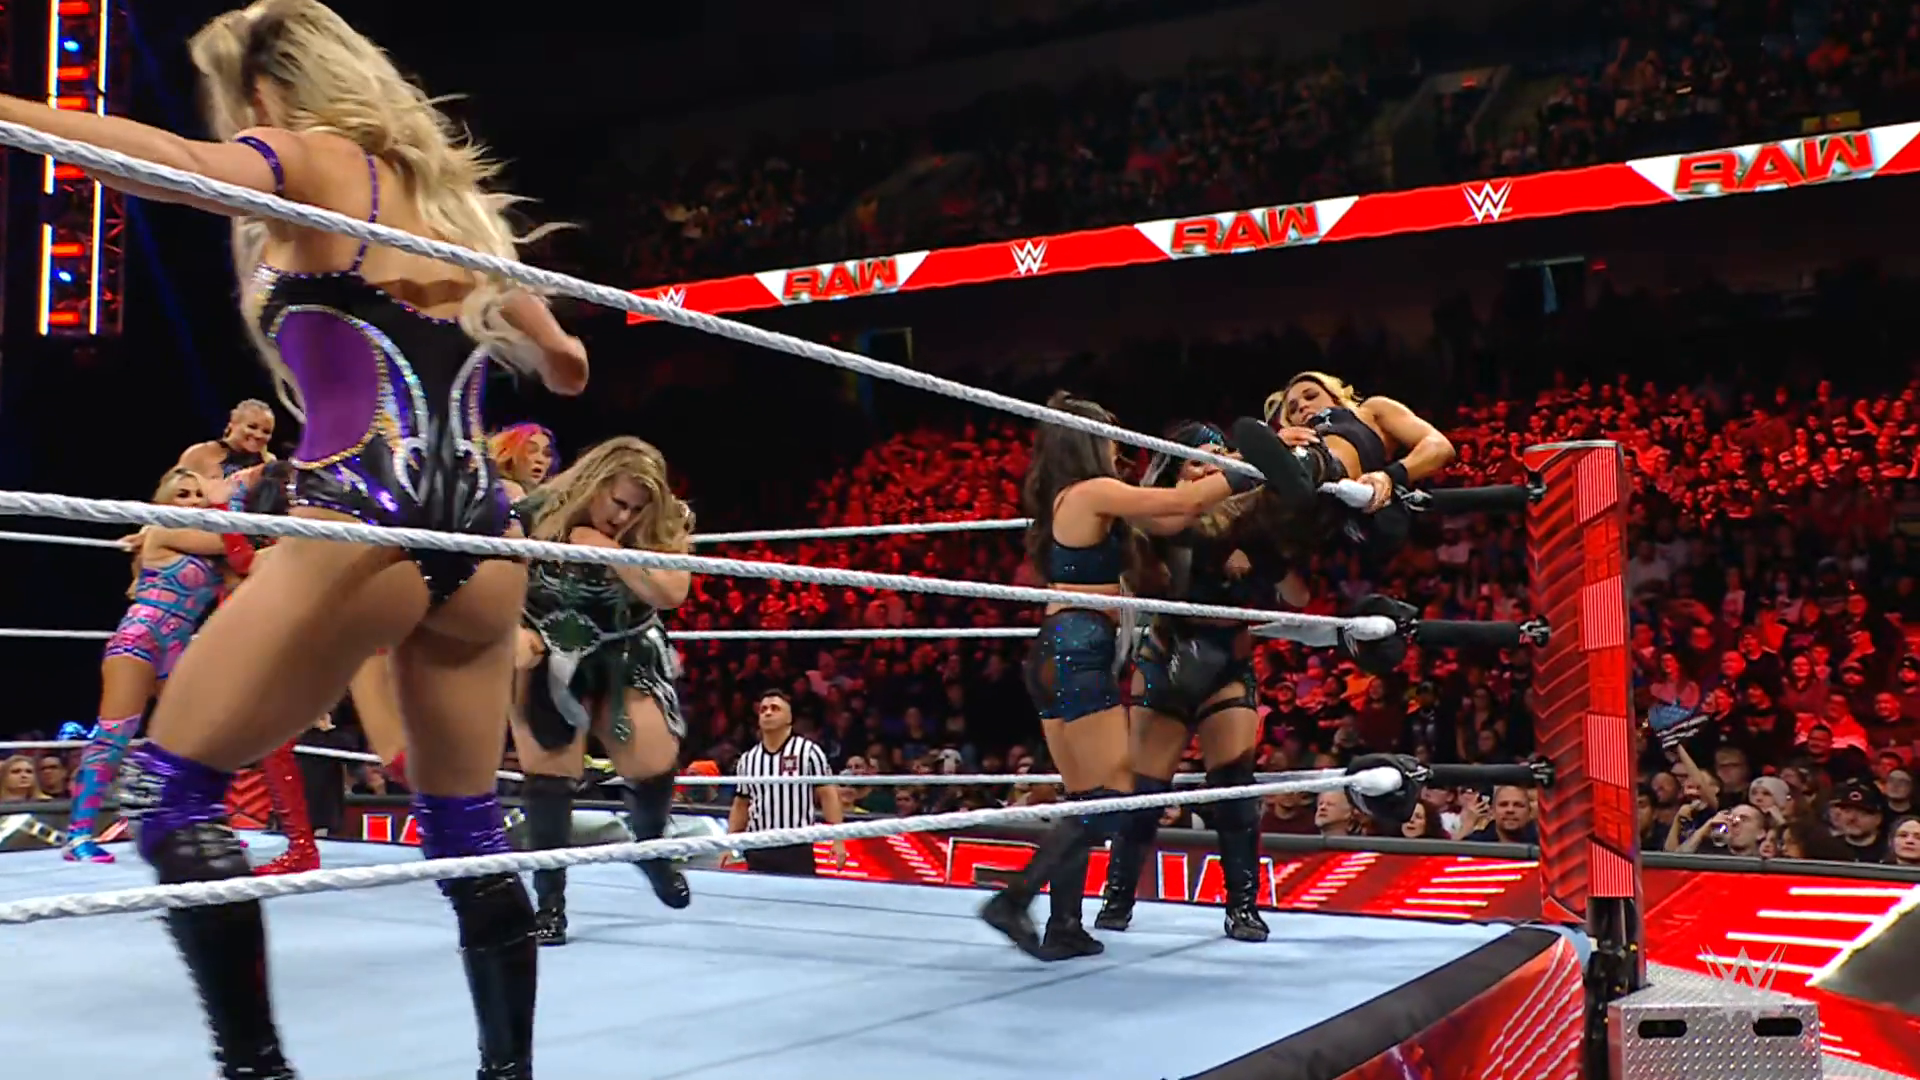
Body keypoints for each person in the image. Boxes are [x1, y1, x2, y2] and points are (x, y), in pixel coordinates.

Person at [0, 3, 589, 1076]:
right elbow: (568, 366)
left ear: (268, 89)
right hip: (488, 549)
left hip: (362, 520)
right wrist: (524, 329)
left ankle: (257, 1069)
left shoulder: (312, 159)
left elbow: (179, 165)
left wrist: (12, 112)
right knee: (466, 829)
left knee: (173, 793)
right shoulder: (459, 213)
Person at [980, 391, 1257, 961]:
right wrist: (1259, 461)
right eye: (1110, 437)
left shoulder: (1069, 499)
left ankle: (1064, 926)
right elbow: (1183, 503)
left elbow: (1170, 523)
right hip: (1080, 649)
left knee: (1085, 798)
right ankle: (1016, 898)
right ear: (1087, 442)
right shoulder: (1092, 490)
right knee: (1116, 799)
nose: (1118, 449)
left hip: (1057, 650)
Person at [1097, 421, 1280, 942]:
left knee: (1235, 787)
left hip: (1227, 661)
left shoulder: (1251, 512)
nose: (1209, 467)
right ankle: (1117, 897)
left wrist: (1254, 556)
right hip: (1169, 655)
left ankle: (1242, 907)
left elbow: (1283, 582)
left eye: (1218, 457)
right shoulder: (1155, 515)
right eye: (1197, 460)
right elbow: (1158, 575)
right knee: (1145, 793)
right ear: (1176, 471)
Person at [511, 437, 695, 946]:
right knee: (550, 775)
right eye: (618, 503)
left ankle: (651, 849)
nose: (625, 516)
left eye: (636, 509)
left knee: (653, 763)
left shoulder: (665, 522)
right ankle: (549, 905)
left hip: (626, 649)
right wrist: (511, 632)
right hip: (546, 647)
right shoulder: (535, 511)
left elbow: (672, 592)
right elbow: (493, 578)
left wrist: (605, 547)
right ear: (593, 484)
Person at [64, 468, 229, 863]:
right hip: (140, 637)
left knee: (194, 736)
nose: (192, 501)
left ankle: (191, 823)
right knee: (115, 733)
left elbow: (247, 561)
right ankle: (78, 835)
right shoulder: (162, 530)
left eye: (198, 495)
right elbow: (233, 542)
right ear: (165, 501)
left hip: (178, 646)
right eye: (183, 494)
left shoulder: (212, 552)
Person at [1232, 371, 1456, 566]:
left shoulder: (1369, 412)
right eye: (1293, 409)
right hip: (1298, 508)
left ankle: (1308, 467)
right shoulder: (1293, 437)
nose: (1302, 405)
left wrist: (1390, 476)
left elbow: (1439, 446)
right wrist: (1275, 442)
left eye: (1311, 396)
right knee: (1231, 512)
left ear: (1335, 396)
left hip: (1348, 500)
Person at [730, 690, 846, 875]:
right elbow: (741, 804)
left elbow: (828, 795)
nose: (768, 713)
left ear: (789, 718)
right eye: (763, 709)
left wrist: (838, 839)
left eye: (775, 708)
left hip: (796, 846)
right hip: (758, 845)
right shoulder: (748, 759)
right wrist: (729, 844)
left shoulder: (808, 752)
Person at [178, 398, 277, 510]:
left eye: (266, 432)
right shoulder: (199, 454)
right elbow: (171, 493)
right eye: (252, 427)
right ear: (233, 424)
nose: (259, 435)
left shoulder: (269, 463)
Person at [489, 423, 559, 497]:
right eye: (531, 450)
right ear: (509, 455)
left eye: (547, 453)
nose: (540, 459)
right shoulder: (503, 489)